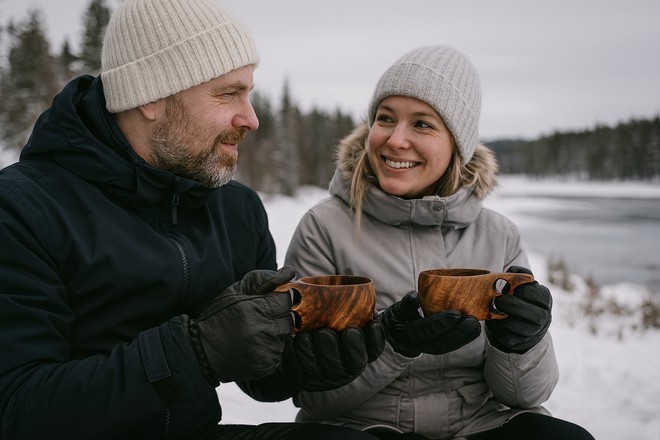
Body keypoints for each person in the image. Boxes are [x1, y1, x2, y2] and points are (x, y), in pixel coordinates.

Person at [0, 0, 385, 438]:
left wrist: (315, 357)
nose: (251, 119)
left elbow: (260, 379)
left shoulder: (236, 209)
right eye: (228, 93)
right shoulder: (22, 209)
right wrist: (197, 351)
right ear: (150, 97)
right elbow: (17, 409)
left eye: (250, 92)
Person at [277, 46, 596, 439]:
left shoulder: (499, 236)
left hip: (478, 423)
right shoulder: (324, 228)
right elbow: (317, 398)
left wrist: (521, 344)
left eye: (423, 124)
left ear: (457, 145)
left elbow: (526, 396)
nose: (396, 140)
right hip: (358, 426)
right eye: (385, 118)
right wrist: (393, 344)